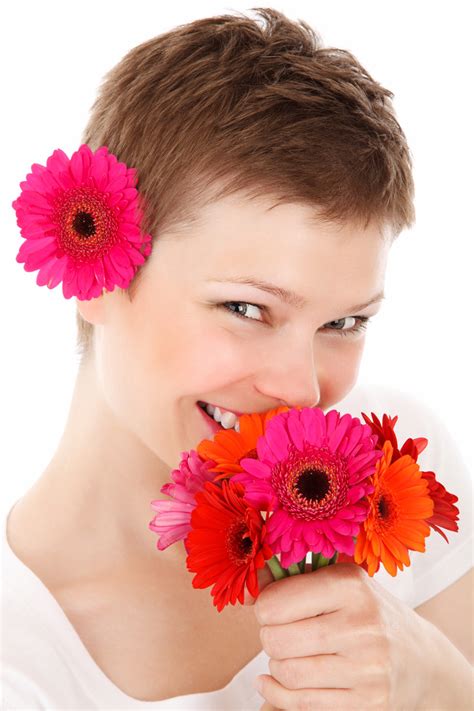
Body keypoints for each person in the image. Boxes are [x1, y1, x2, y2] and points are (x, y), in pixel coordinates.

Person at [2, 8, 472, 710]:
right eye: (247, 309)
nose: (302, 388)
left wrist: (432, 677)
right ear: (93, 268)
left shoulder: (396, 475)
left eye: (343, 321)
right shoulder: (22, 662)